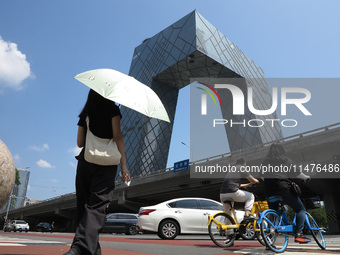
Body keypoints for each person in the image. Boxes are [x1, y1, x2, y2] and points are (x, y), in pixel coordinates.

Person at [64, 89, 130, 255]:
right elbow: (117, 137)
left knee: (84, 206)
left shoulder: (85, 114)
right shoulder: (113, 110)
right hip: (106, 165)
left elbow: (79, 143)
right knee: (96, 206)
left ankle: (91, 250)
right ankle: (79, 249)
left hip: (85, 163)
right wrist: (124, 166)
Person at [262, 143, 311, 243]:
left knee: (273, 217)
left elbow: (263, 177)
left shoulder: (265, 162)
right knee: (301, 209)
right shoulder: (284, 159)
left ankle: (269, 242)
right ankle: (298, 234)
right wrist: (306, 177)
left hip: (269, 192)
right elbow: (296, 172)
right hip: (283, 188)